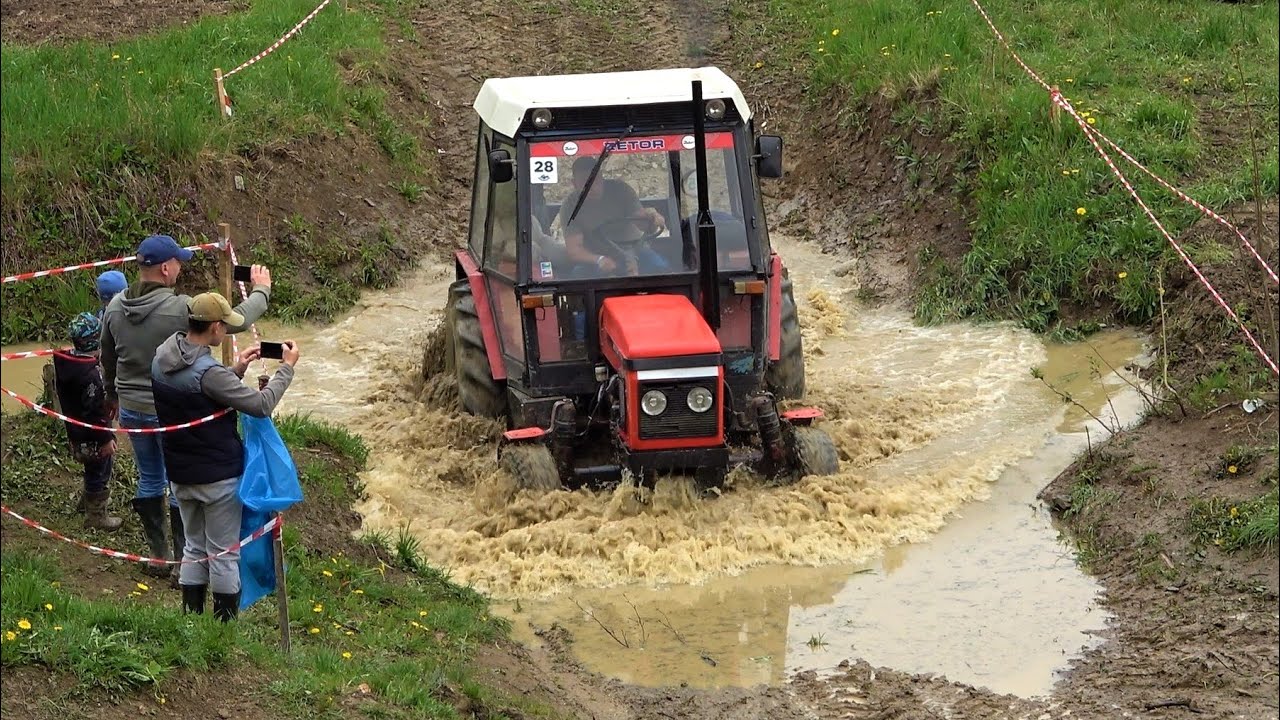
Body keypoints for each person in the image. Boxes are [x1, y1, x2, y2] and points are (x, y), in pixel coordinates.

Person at [100, 234, 273, 580]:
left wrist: (112, 397)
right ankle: (186, 559)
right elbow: (233, 318)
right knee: (179, 477)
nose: (180, 267)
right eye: (178, 262)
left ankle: (158, 555)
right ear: (166, 268)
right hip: (170, 410)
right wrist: (261, 290)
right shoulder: (180, 308)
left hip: (132, 409)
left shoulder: (116, 305)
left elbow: (106, 357)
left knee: (149, 478)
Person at [150, 292, 298, 621]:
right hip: (217, 477)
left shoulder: (162, 357)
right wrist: (286, 370)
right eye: (225, 327)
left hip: (179, 473)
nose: (226, 333)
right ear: (215, 327)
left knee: (193, 547)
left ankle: (190, 621)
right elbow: (260, 405)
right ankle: (222, 631)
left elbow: (199, 392)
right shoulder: (208, 372)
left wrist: (236, 370)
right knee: (223, 554)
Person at [52, 313, 123, 531]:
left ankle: (88, 502)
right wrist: (106, 438)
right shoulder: (89, 375)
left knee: (93, 469)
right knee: (99, 469)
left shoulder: (67, 363)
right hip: (93, 436)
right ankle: (96, 516)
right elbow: (94, 412)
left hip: (76, 432)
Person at [558, 156, 670, 277]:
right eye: (584, 181)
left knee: (662, 270)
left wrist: (652, 218)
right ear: (574, 183)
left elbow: (642, 222)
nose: (591, 187)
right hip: (597, 257)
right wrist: (599, 260)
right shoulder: (570, 207)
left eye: (594, 180)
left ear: (601, 177)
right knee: (578, 276)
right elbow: (575, 250)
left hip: (635, 250)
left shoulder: (621, 190)